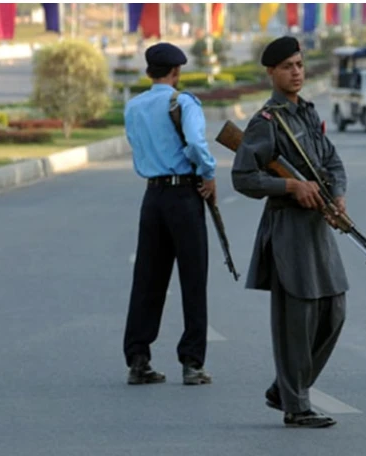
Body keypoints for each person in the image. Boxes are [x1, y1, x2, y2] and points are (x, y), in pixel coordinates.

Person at [231, 36, 348, 428]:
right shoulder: (265, 123)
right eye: (287, 67)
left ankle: (285, 389)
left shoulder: (307, 114)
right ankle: (296, 405)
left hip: (318, 225)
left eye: (299, 65)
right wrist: (290, 187)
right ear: (272, 73)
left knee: (333, 311)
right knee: (295, 321)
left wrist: (339, 195)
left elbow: (331, 160)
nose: (296, 72)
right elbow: (244, 177)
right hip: (287, 229)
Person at [122, 43, 216, 386]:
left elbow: (136, 145)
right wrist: (207, 171)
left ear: (150, 72)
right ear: (176, 73)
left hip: (153, 196)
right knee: (193, 279)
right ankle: (192, 363)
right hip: (184, 195)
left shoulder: (134, 107)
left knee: (148, 279)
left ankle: (138, 358)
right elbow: (195, 142)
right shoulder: (183, 102)